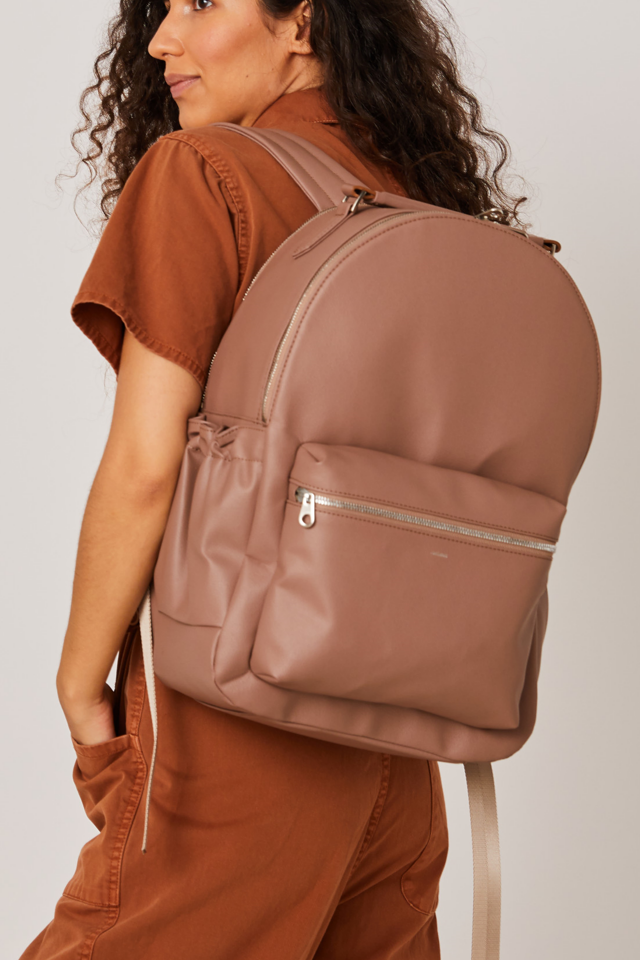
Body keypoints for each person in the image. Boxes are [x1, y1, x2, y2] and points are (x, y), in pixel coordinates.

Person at [21, 2, 523, 957]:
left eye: (202, 2)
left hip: (237, 736)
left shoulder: (203, 172)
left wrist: (82, 682)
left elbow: (142, 464)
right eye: (160, 9)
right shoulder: (426, 211)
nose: (162, 38)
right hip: (401, 761)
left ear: (305, 22)